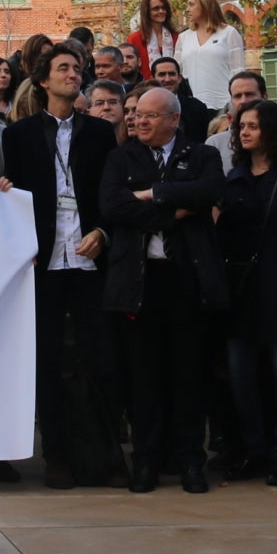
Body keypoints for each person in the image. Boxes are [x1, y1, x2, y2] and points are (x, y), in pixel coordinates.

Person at [2, 43, 119, 489]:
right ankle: (57, 456)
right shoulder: (19, 135)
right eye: (64, 69)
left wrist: (103, 233)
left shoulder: (100, 134)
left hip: (89, 260)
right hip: (45, 262)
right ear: (43, 80)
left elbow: (110, 197)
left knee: (99, 359)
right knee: (48, 361)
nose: (74, 74)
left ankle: (105, 454)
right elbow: (13, 201)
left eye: (78, 68)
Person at [100, 85, 226, 494]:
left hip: (186, 279)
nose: (140, 121)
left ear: (174, 120)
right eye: (137, 115)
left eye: (151, 116)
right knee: (145, 378)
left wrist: (155, 193)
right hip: (140, 280)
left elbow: (208, 191)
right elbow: (114, 205)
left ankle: (191, 460)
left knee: (188, 375)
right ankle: (147, 461)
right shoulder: (123, 157)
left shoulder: (202, 155)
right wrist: (173, 214)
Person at [218, 98, 277, 486]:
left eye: (253, 125)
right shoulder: (235, 175)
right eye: (242, 126)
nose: (245, 132)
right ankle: (254, 450)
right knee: (241, 377)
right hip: (241, 292)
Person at [173, 0, 245, 110]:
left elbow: (238, 72)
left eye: (191, 5)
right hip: (192, 108)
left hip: (223, 106)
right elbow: (177, 72)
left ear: (205, 6)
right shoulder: (183, 37)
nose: (187, 10)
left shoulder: (229, 33)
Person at [126, 0, 179, 78]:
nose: (161, 11)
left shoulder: (176, 37)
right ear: (147, 12)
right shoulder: (135, 39)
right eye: (156, 9)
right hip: (145, 87)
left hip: (172, 86)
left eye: (163, 8)